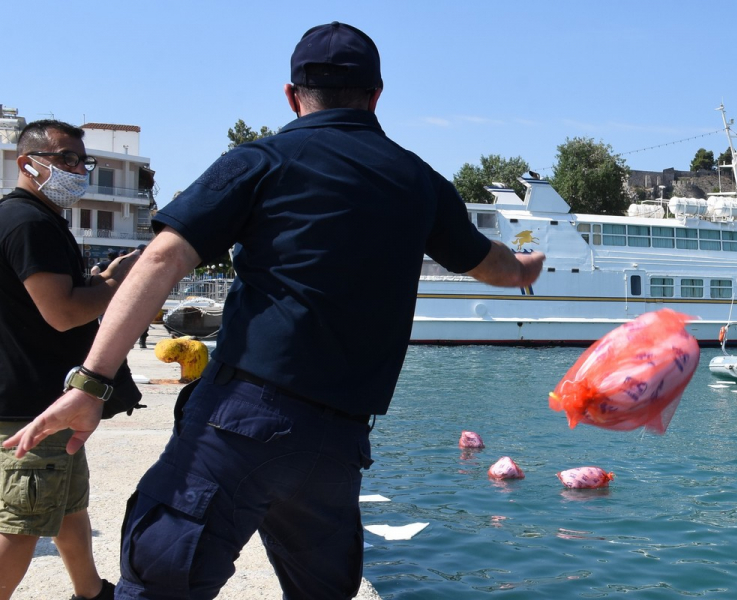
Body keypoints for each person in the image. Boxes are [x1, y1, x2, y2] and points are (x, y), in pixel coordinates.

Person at [4, 23, 545, 600]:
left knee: (163, 575)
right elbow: (492, 264)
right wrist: (527, 267)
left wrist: (91, 383)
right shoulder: (419, 180)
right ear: (376, 96)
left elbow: (164, 257)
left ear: (292, 95)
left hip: (242, 417)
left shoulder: (260, 160)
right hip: (336, 439)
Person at [0, 120, 137, 600]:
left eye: (83, 161)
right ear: (27, 163)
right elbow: (62, 313)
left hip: (50, 403)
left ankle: (92, 592)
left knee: (66, 508)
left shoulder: (28, 218)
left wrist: (99, 282)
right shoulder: (30, 223)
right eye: (65, 159)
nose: (78, 170)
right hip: (32, 404)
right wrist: (117, 285)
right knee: (22, 524)